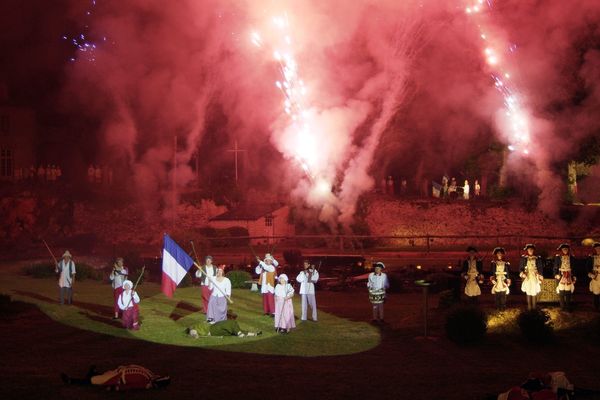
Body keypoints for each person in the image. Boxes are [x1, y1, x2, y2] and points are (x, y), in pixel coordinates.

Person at [61, 365, 170, 390]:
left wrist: (116, 387)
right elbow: (131, 385)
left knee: (95, 380)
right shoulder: (148, 377)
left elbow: (130, 386)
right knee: (96, 379)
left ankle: (72, 380)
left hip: (118, 375)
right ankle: (90, 374)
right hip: (118, 374)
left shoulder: (148, 377)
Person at [519, 244, 544, 310]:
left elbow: (540, 267)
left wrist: (540, 275)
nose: (530, 250)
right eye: (529, 249)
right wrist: (522, 273)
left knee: (534, 291)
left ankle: (534, 308)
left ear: (533, 250)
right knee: (528, 291)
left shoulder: (537, 258)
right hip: (527, 277)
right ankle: (529, 308)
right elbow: (521, 267)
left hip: (535, 276)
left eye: (531, 249)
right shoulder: (524, 258)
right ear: (527, 250)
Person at [553, 243, 576, 311]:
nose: (565, 250)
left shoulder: (571, 257)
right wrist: (556, 274)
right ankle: (562, 307)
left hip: (569, 276)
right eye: (563, 249)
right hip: (561, 277)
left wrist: (574, 276)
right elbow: (555, 267)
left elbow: (574, 268)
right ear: (562, 250)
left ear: (568, 250)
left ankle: (568, 307)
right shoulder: (558, 257)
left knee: (568, 293)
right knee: (561, 293)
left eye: (566, 249)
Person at [186, 320, 262, 338]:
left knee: (232, 329)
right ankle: (239, 334)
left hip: (214, 327)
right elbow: (194, 335)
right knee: (231, 323)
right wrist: (194, 334)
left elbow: (209, 322)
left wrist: (208, 321)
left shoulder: (198, 324)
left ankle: (254, 334)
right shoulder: (193, 329)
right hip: (212, 330)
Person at [588, 242, 600, 311]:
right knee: (596, 293)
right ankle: (596, 307)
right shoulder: (592, 257)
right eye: (597, 248)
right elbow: (588, 266)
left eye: (599, 248)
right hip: (595, 277)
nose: (598, 249)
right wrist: (590, 274)